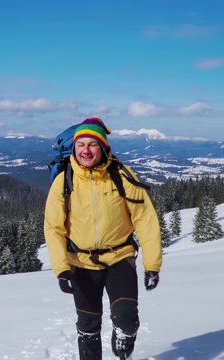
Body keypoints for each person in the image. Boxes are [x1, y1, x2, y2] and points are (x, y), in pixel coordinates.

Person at [44, 117, 163, 359]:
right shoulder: (63, 181)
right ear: (74, 148)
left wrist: (152, 265)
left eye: (92, 144)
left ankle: (123, 340)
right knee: (88, 327)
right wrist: (61, 269)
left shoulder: (122, 175)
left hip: (120, 258)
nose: (86, 150)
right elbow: (53, 227)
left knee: (127, 319)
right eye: (81, 145)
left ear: (104, 147)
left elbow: (145, 218)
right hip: (80, 262)